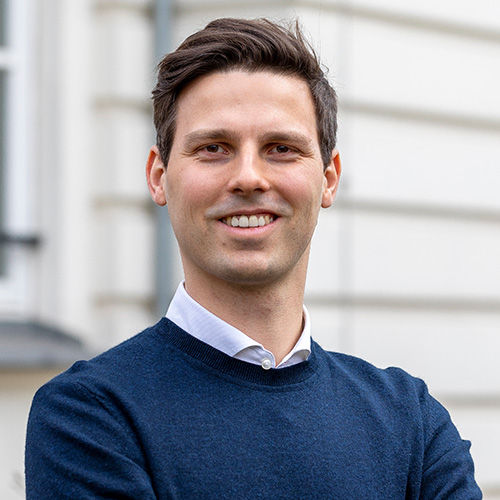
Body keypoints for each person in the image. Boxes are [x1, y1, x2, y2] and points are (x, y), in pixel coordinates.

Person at [25, 18, 481, 499]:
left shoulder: (410, 420)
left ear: (328, 178)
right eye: (213, 148)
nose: (248, 177)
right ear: (159, 176)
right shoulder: (90, 416)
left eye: (281, 149)